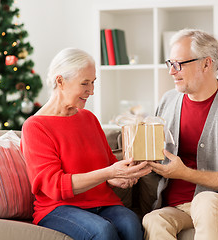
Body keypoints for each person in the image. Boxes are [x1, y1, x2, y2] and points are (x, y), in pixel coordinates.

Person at [142, 29, 218, 240]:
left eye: (179, 64)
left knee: (205, 202)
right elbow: (157, 159)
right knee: (154, 219)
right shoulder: (167, 101)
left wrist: (185, 173)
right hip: (178, 206)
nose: (171, 72)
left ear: (206, 64)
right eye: (169, 63)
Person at [20, 47, 152, 240]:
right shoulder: (35, 126)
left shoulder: (89, 118)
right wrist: (109, 173)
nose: (91, 91)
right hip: (58, 208)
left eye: (93, 82)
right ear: (60, 81)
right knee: (102, 231)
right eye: (85, 83)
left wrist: (120, 177)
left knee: (131, 223)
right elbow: (55, 186)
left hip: (102, 203)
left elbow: (107, 167)